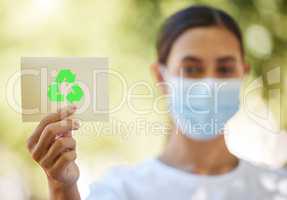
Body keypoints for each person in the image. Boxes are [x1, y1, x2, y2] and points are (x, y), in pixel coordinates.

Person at [26, 5, 287, 200]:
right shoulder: (120, 190)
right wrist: (62, 187)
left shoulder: (278, 189)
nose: (209, 84)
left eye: (225, 68)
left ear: (243, 72)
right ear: (161, 77)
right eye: (192, 69)